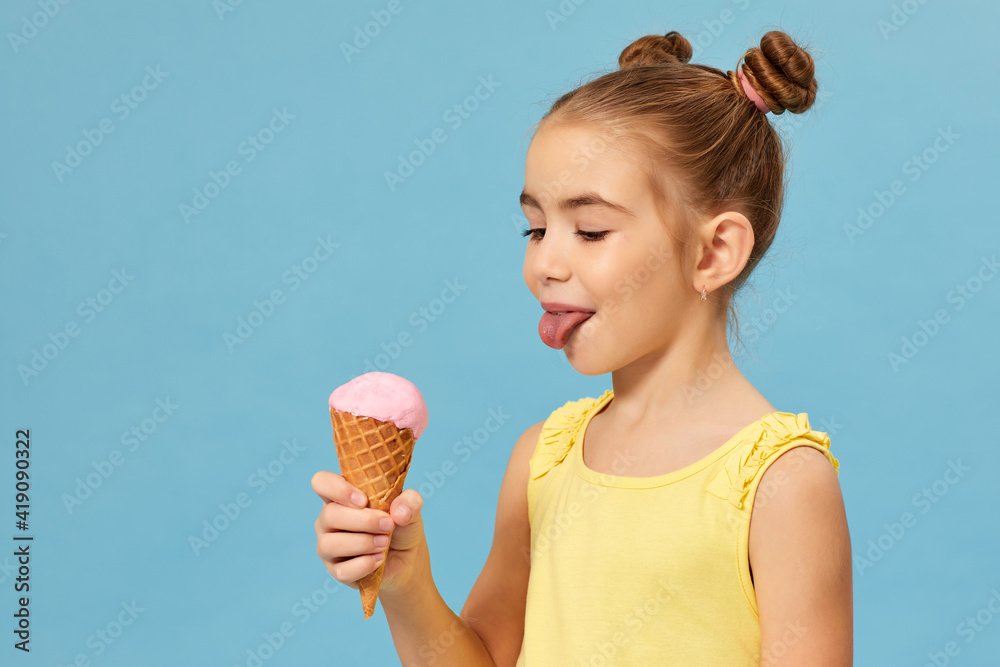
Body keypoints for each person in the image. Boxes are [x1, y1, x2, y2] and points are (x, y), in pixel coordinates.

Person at [312, 27, 852, 666]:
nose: (544, 262)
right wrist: (405, 584)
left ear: (713, 252)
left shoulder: (783, 484)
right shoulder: (540, 461)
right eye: (535, 228)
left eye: (590, 230)